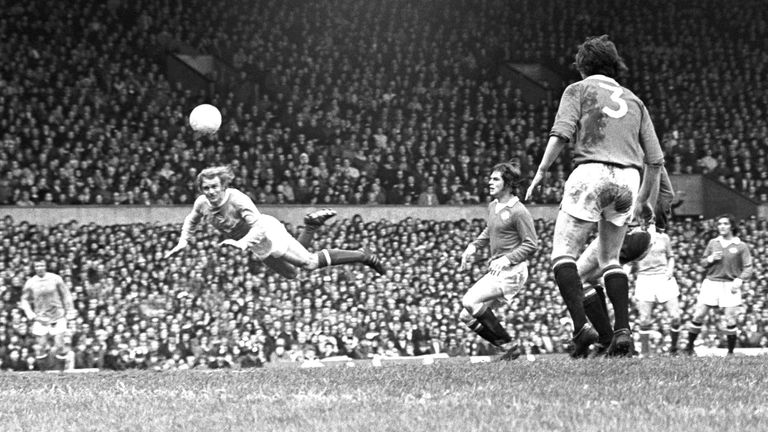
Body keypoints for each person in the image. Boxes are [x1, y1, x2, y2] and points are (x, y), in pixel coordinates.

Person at [526, 35, 664, 358]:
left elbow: (561, 132)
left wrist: (542, 170)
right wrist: (644, 199)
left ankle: (581, 327)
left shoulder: (578, 89)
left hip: (591, 172)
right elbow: (655, 161)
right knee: (609, 260)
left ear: (583, 66)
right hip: (629, 180)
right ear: (614, 66)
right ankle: (621, 333)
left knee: (563, 254)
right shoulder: (635, 101)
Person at [164, 166, 385, 278]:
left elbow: (258, 226)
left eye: (214, 187)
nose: (210, 191)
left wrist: (242, 244)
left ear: (223, 186)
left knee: (308, 263)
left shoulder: (237, 199)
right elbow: (191, 219)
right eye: (206, 188)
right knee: (292, 274)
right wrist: (183, 241)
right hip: (256, 244)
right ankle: (310, 226)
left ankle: (363, 256)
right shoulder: (202, 203)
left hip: (266, 233)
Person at [578, 167, 675, 356]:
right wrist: (658, 224)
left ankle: (608, 339)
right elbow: (668, 195)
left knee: (576, 278)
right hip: (647, 235)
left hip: (625, 228)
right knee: (592, 278)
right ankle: (616, 340)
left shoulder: (622, 155)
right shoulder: (655, 159)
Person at [459, 161, 538, 361]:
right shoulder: (494, 206)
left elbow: (531, 244)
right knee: (466, 315)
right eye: (490, 178)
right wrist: (474, 245)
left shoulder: (519, 211)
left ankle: (508, 344)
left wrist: (507, 259)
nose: (489, 182)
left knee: (469, 300)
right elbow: (491, 229)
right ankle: (506, 349)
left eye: (495, 179)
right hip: (499, 271)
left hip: (512, 271)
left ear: (508, 183)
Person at [684, 214, 753, 356]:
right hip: (711, 283)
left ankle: (730, 352)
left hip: (730, 284)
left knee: (730, 318)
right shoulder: (713, 243)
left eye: (725, 224)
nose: (722, 226)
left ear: (732, 226)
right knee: (699, 315)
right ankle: (689, 348)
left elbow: (748, 267)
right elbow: (703, 263)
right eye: (720, 224)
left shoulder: (741, 245)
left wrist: (740, 280)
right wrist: (710, 258)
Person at [628, 220, 681, 356]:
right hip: (644, 278)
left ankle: (674, 349)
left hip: (663, 277)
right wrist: (626, 273)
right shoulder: (634, 237)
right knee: (644, 319)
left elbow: (671, 257)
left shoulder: (664, 238)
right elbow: (629, 259)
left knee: (675, 317)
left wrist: (670, 269)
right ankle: (645, 352)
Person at [19, 259, 76, 368]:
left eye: (41, 265)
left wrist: (70, 310)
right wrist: (30, 313)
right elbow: (24, 299)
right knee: (41, 347)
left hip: (57, 315)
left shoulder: (55, 279)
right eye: (37, 266)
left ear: (45, 266)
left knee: (59, 345)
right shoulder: (30, 282)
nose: (39, 268)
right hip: (41, 318)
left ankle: (61, 373)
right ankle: (43, 374)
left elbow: (66, 294)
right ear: (34, 268)